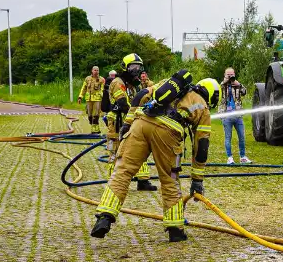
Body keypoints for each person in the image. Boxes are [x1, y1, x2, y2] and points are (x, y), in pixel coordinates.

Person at [92, 78, 220, 242]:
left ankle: (105, 216)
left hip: (141, 123)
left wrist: (128, 123)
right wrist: (197, 180)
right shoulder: (203, 106)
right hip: (168, 132)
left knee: (123, 171)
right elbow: (201, 146)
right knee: (170, 179)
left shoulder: (170, 84)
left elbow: (141, 96)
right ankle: (175, 230)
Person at [107, 54, 156, 192]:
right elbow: (123, 103)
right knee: (116, 152)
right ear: (125, 67)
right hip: (117, 123)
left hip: (131, 122)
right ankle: (113, 183)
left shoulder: (133, 86)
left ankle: (143, 181)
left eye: (139, 66)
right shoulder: (118, 83)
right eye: (133, 66)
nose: (137, 69)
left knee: (140, 148)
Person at [220, 67, 250, 164]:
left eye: (231, 75)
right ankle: (230, 157)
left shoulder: (237, 84)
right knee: (228, 137)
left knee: (242, 136)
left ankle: (243, 157)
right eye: (228, 75)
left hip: (237, 115)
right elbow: (219, 92)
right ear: (225, 75)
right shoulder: (222, 85)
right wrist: (225, 82)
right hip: (226, 115)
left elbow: (245, 92)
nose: (230, 77)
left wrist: (239, 84)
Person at [78, 66, 106, 134]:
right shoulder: (87, 79)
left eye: (97, 70)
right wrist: (80, 97)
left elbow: (103, 89)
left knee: (95, 115)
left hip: (97, 99)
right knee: (89, 116)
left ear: (99, 71)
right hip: (89, 99)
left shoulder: (101, 79)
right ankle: (95, 127)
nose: (96, 72)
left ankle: (95, 131)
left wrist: (103, 97)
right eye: (95, 70)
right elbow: (83, 88)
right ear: (92, 71)